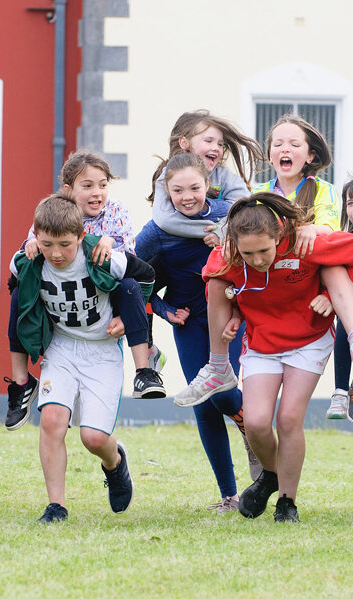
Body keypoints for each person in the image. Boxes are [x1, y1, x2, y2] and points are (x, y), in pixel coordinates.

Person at [202, 192, 353, 522]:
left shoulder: (304, 243)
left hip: (309, 340)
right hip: (262, 344)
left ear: (280, 234)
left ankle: (287, 501)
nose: (257, 260)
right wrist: (233, 316)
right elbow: (214, 280)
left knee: (288, 420)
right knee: (255, 423)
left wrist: (328, 294)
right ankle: (270, 474)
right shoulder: (230, 256)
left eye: (264, 251)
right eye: (248, 253)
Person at [174, 114, 341, 407]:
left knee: (289, 414)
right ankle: (218, 365)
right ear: (271, 153)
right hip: (267, 300)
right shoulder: (257, 193)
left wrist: (309, 231)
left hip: (306, 295)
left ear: (311, 154)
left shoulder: (323, 190)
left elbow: (329, 240)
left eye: (294, 144)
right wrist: (237, 310)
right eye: (278, 144)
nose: (284, 149)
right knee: (219, 263)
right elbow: (245, 253)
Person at [11, 193, 156, 522]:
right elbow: (15, 289)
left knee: (93, 438)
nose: (56, 254)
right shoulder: (30, 257)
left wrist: (129, 318)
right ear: (35, 235)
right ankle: (56, 505)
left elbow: (144, 276)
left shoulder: (101, 256)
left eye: (65, 244)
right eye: (47, 244)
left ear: (80, 236)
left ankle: (115, 462)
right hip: (61, 348)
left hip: (101, 349)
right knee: (51, 421)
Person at [5, 150, 165, 432]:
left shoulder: (114, 210)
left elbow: (130, 257)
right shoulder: (55, 212)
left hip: (109, 296)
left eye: (103, 184)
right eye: (87, 186)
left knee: (130, 286)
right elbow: (36, 242)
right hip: (66, 301)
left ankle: (145, 368)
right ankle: (21, 383)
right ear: (68, 190)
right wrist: (28, 245)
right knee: (20, 294)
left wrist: (107, 241)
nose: (97, 193)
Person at [136, 154, 259, 513]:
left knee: (224, 389)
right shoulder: (156, 233)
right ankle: (229, 495)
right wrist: (165, 310)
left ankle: (251, 430)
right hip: (189, 325)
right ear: (165, 192)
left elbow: (256, 263)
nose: (187, 196)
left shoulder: (229, 216)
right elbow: (136, 283)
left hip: (231, 321)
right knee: (203, 402)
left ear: (208, 184)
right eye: (177, 190)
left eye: (194, 187)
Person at [148, 109, 263, 242]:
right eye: (208, 141)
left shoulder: (224, 177)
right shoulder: (168, 175)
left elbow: (245, 208)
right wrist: (213, 229)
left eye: (220, 144)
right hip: (172, 243)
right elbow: (164, 220)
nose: (216, 147)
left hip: (209, 247)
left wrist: (222, 231)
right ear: (184, 143)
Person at [326, 179, 353, 419]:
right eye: (351, 203)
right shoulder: (343, 242)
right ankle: (341, 391)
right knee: (346, 323)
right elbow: (327, 273)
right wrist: (326, 296)